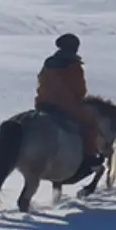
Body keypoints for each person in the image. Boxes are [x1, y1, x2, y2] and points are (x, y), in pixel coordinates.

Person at [35, 32, 101, 182]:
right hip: (65, 106)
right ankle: (90, 157)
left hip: (43, 104)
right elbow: (80, 90)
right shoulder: (73, 65)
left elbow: (40, 81)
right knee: (89, 125)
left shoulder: (48, 63)